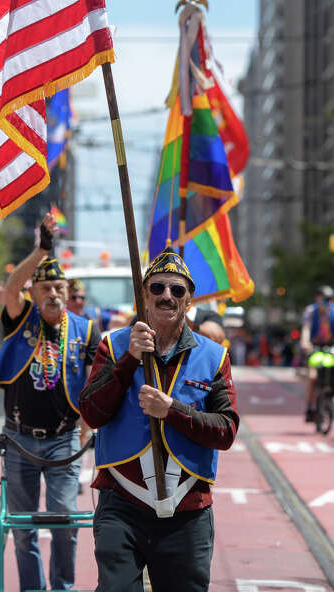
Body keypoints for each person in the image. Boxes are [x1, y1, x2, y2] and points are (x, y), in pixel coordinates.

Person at [79, 246, 239, 592]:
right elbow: (92, 413)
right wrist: (129, 361)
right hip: (122, 503)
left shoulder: (214, 356)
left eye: (177, 290)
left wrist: (172, 411)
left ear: (189, 301)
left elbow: (226, 431)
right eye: (157, 288)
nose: (167, 296)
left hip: (187, 508)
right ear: (144, 296)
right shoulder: (112, 345)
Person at [0, 212, 99, 592]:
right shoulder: (21, 319)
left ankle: (63, 588)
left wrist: (88, 438)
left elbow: (92, 391)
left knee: (65, 522)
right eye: (46, 287)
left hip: (63, 441)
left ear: (69, 292)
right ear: (33, 294)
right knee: (23, 530)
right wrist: (42, 252)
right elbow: (11, 286)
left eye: (59, 287)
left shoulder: (85, 331)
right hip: (19, 440)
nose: (53, 293)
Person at [299, 285, 334, 421]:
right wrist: (305, 343)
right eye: (324, 299)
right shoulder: (311, 311)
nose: (327, 302)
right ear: (317, 298)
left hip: (332, 347)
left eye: (330, 299)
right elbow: (306, 329)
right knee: (313, 377)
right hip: (315, 347)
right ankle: (310, 407)